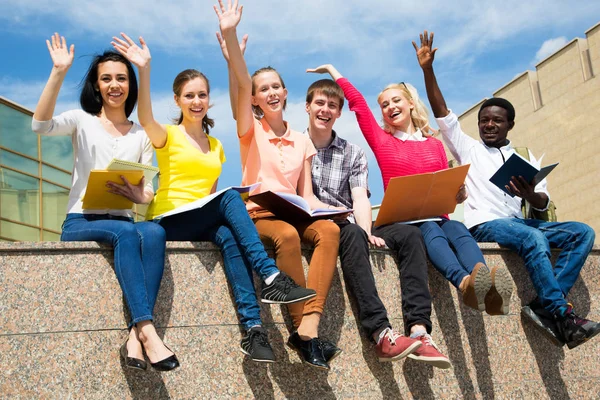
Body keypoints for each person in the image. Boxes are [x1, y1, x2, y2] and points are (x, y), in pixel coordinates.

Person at [111, 33, 316, 363]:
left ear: (209, 100)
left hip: (199, 219)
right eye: (189, 95)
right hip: (168, 218)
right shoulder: (168, 134)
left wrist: (230, 58)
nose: (196, 101)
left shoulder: (216, 147)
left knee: (231, 236)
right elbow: (145, 116)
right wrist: (144, 70)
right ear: (178, 100)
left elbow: (209, 195)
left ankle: (253, 330)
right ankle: (270, 275)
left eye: (202, 95)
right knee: (231, 199)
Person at [415, 30, 599, 349]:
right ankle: (561, 313)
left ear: (509, 124)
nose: (488, 125)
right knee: (534, 237)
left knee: (582, 232)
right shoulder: (468, 149)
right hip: (485, 225)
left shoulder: (524, 158)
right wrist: (428, 69)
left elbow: (542, 203)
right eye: (484, 120)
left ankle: (544, 306)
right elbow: (442, 112)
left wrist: (530, 195)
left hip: (520, 223)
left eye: (496, 121)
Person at [308, 62, 513, 317]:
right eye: (384, 105)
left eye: (396, 101)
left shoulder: (435, 145)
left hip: (438, 217)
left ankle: (485, 286)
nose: (390, 107)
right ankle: (463, 282)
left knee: (457, 228)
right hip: (404, 222)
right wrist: (333, 72)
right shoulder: (383, 141)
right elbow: (358, 104)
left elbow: (444, 190)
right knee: (429, 228)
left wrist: (458, 195)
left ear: (411, 103)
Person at [32, 33, 178, 372]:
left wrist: (137, 195)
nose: (115, 85)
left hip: (122, 219)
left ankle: (132, 338)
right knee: (128, 235)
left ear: (131, 85)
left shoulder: (141, 134)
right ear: (97, 86)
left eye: (122, 78)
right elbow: (40, 125)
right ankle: (147, 330)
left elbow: (147, 191)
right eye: (107, 79)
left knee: (154, 233)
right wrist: (58, 71)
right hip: (81, 221)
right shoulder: (81, 121)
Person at [215, 1, 342, 370]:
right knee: (286, 236)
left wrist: (327, 211)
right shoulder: (249, 130)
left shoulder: (302, 139)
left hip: (295, 210)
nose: (270, 92)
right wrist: (231, 39)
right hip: (259, 214)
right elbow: (238, 86)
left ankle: (309, 325)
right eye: (262, 89)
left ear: (286, 93)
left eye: (276, 86)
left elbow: (306, 193)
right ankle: (302, 329)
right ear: (255, 99)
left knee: (330, 230)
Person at [302, 77, 459, 368]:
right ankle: (380, 332)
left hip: (348, 220)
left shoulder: (353, 152)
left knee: (411, 236)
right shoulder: (295, 145)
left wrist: (366, 230)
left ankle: (419, 330)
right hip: (312, 221)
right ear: (307, 107)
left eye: (332, 105)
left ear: (338, 113)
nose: (325, 110)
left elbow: (360, 198)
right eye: (320, 104)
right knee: (350, 234)